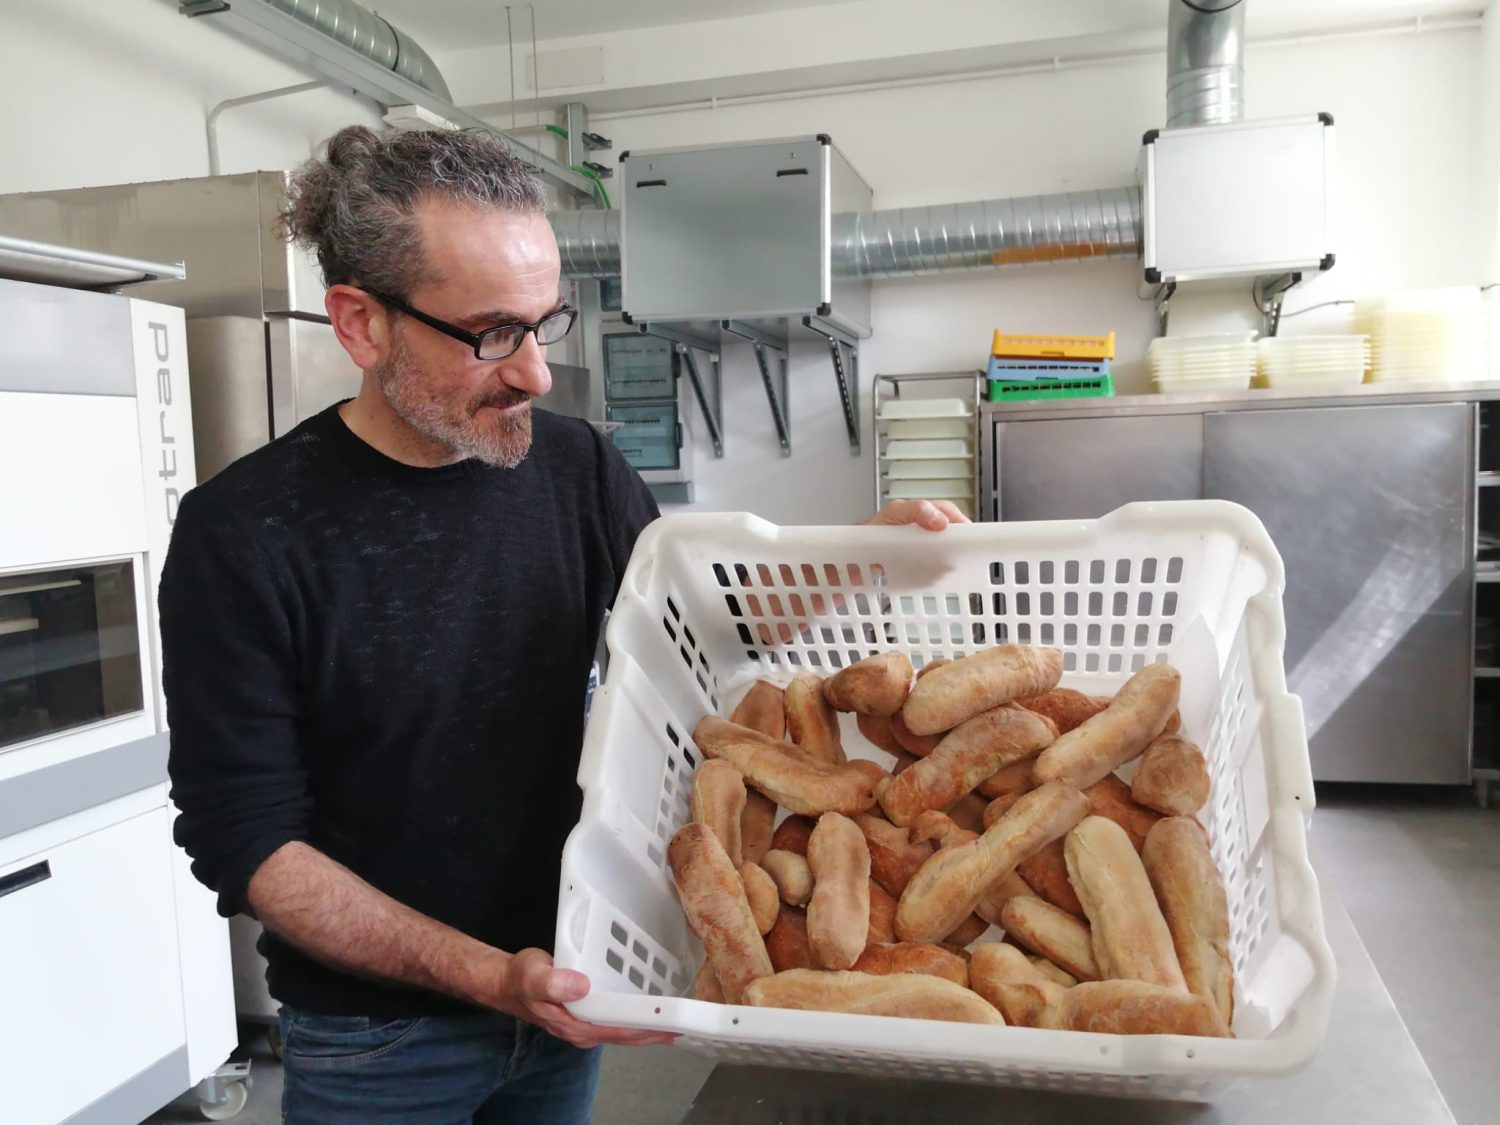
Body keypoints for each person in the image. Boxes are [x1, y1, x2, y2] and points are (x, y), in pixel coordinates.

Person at [159, 125, 969, 1125]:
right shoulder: (244, 533)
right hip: (380, 1042)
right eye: (493, 332)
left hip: (571, 987)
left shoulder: (575, 470)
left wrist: (865, 554)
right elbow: (251, 845)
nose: (537, 374)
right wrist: (490, 976)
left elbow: (704, 625)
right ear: (363, 326)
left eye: (546, 323)